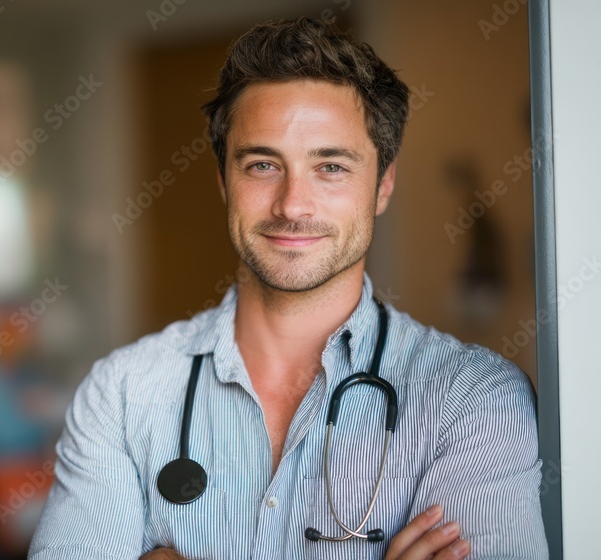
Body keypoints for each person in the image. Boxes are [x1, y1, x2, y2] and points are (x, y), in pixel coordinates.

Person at [28, 18, 548, 560]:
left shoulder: (472, 401)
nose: (292, 204)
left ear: (383, 184)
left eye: (330, 166)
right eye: (261, 164)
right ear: (223, 181)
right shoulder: (123, 394)